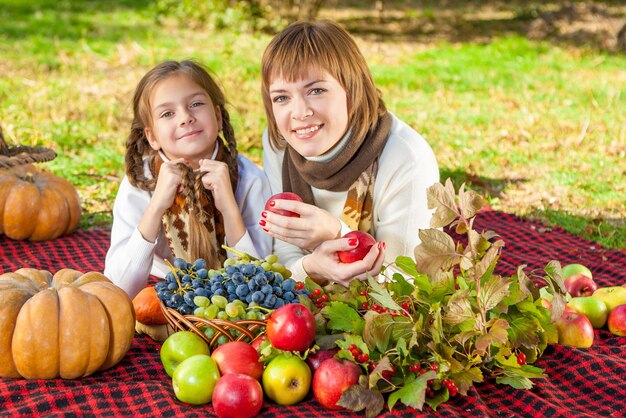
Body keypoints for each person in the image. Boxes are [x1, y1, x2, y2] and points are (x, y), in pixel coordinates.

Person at [259, 20, 439, 287]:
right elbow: (284, 254)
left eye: (316, 90)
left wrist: (335, 234)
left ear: (352, 89)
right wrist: (311, 268)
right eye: (282, 97)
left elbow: (406, 281)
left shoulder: (405, 157)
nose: (299, 113)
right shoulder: (280, 145)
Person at [105, 60, 272, 298]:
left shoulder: (251, 179)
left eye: (196, 104)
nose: (185, 117)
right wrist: (155, 208)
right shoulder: (140, 183)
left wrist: (229, 209)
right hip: (163, 292)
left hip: (229, 300)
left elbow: (258, 285)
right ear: (152, 137)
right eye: (167, 113)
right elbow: (118, 289)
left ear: (218, 116)